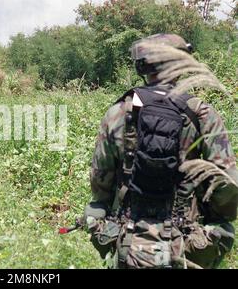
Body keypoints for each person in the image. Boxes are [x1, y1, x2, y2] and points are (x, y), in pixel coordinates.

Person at [82, 34, 238, 269]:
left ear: (142, 66)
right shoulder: (203, 115)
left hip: (128, 241)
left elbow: (100, 178)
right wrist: (214, 216)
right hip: (186, 245)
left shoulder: (117, 112)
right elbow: (227, 183)